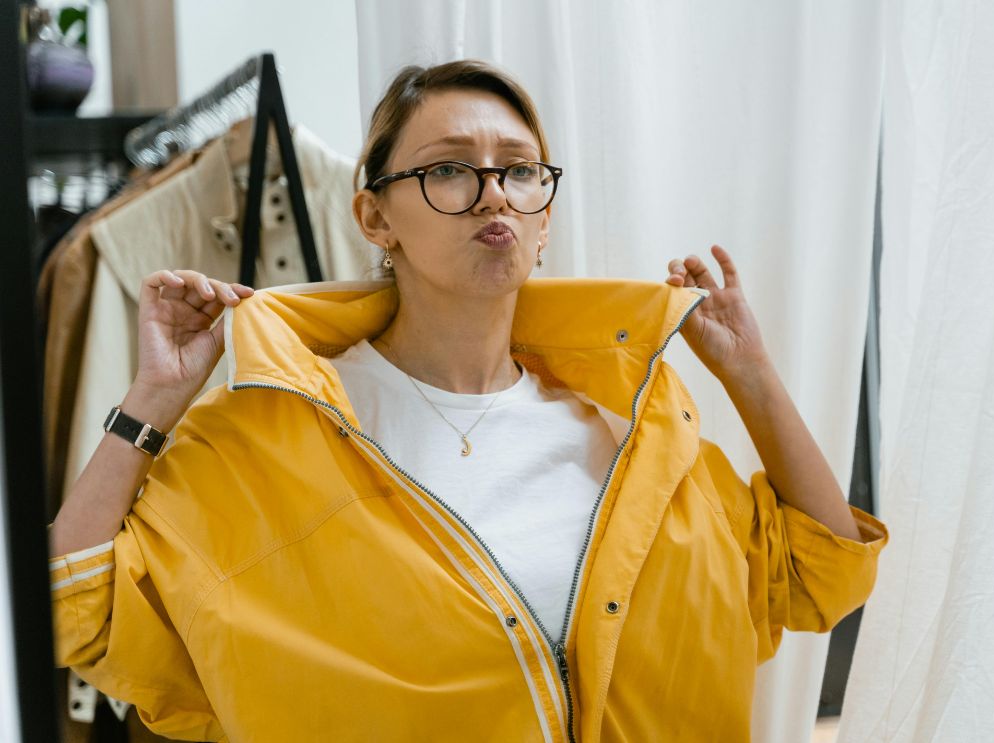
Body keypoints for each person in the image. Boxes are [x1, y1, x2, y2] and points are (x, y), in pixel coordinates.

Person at [47, 60, 889, 742]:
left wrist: (750, 372)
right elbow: (72, 605)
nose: (494, 193)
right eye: (450, 167)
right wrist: (155, 397)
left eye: (520, 170)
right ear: (374, 218)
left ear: (544, 216)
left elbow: (820, 573)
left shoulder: (636, 429)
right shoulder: (262, 437)